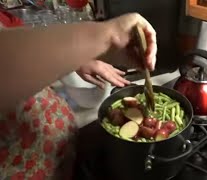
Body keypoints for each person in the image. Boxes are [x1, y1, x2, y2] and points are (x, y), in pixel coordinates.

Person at [0, 12, 157, 179]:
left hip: (55, 146)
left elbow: (18, 42)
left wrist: (78, 58)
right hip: (23, 165)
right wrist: (108, 36)